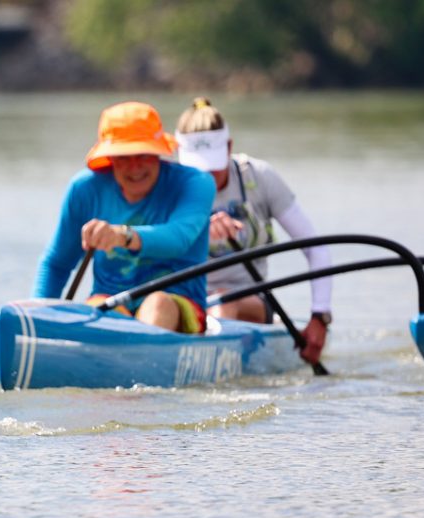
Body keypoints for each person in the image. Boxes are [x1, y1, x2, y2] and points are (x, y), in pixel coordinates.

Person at [33, 101, 216, 333]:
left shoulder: (195, 183)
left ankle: (139, 357)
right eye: (123, 157)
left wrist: (122, 235)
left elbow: (179, 239)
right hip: (111, 301)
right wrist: (37, 315)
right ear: (109, 158)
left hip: (178, 304)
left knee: (157, 302)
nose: (135, 167)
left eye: (143, 155)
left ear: (158, 152)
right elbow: (57, 264)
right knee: (96, 308)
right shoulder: (85, 189)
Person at [175, 96, 332, 364]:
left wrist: (320, 316)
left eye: (213, 166)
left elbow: (315, 248)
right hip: (187, 298)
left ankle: (213, 369)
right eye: (198, 167)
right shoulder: (170, 185)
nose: (206, 177)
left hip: (249, 301)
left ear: (229, 147)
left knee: (224, 300)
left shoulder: (259, 178)